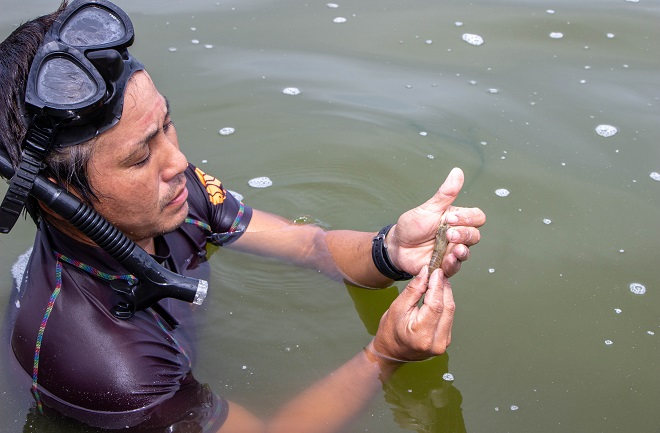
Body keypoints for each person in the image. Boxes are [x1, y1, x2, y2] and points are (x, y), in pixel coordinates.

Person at [0, 1, 486, 432]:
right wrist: (384, 355)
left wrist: (389, 250)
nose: (177, 163)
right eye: (139, 158)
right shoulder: (106, 364)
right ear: (57, 193)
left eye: (165, 124)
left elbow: (307, 244)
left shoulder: (170, 191)